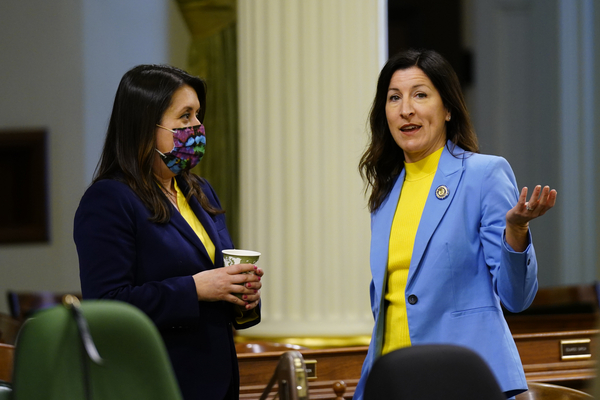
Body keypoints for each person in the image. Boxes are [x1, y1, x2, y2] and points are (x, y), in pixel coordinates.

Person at [354, 49, 557, 399]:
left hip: (464, 381)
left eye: (420, 94)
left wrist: (517, 232)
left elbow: (517, 298)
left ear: (447, 109)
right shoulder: (385, 192)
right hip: (392, 381)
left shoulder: (484, 175)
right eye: (394, 98)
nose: (406, 109)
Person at [74, 64, 263, 400]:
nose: (197, 128)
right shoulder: (109, 199)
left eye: (198, 116)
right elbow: (105, 306)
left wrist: (240, 292)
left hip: (218, 381)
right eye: (185, 116)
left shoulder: (199, 190)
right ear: (146, 125)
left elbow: (217, 280)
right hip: (155, 383)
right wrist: (196, 288)